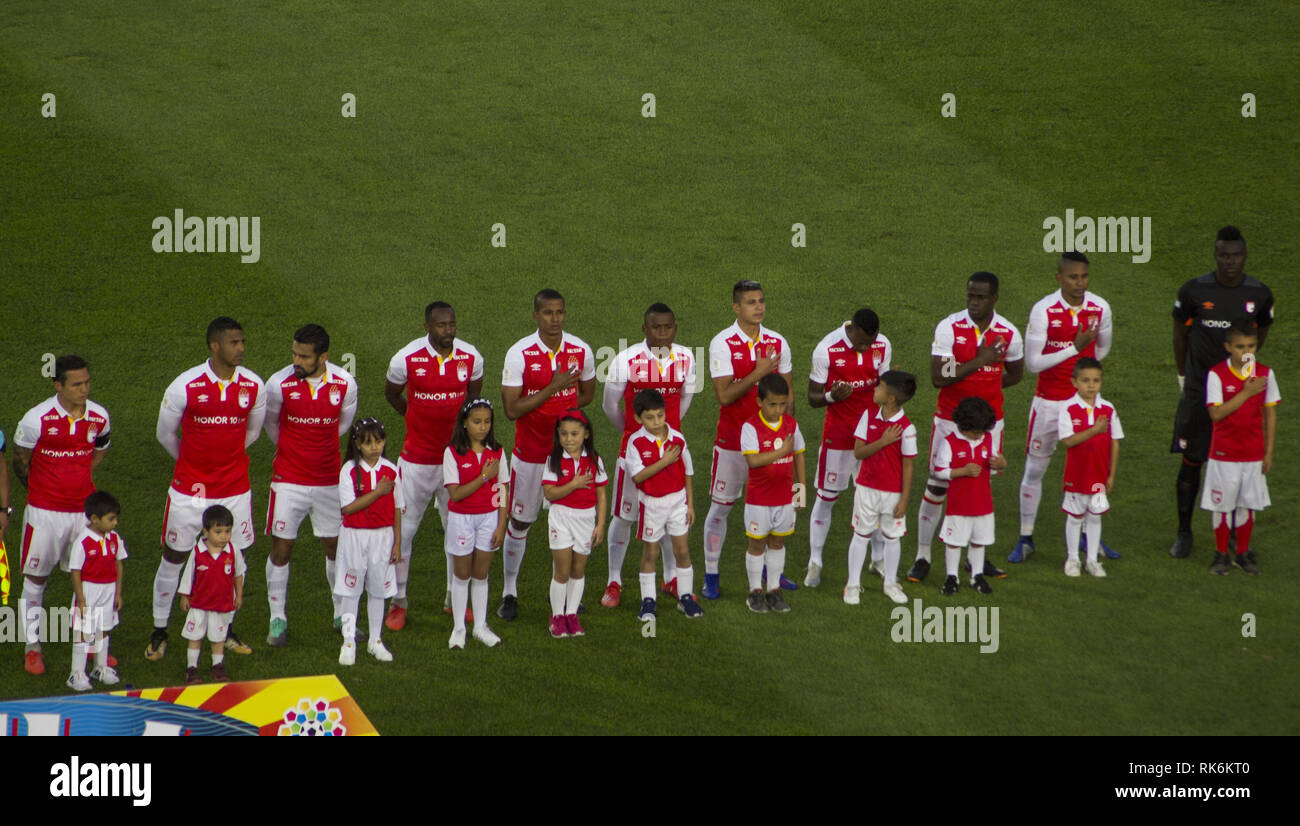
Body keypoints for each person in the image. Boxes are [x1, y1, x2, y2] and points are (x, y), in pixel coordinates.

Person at [151, 318, 265, 661]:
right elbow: (165, 435)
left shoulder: (254, 385)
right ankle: (159, 629)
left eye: (242, 341)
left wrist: (225, 464)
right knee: (174, 558)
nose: (241, 348)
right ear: (214, 346)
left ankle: (224, 628)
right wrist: (193, 466)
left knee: (231, 558)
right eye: (234, 342)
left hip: (234, 490)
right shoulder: (184, 386)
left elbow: (253, 434)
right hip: (190, 493)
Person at [909, 273, 1023, 583]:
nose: (974, 302)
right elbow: (939, 377)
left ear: (994, 298)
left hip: (990, 425)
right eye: (970, 296)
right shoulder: (950, 327)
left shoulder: (1009, 332)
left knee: (978, 487)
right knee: (937, 487)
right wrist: (980, 360)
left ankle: (976, 560)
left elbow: (1015, 372)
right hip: (949, 422)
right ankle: (923, 555)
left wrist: (984, 386)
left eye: (981, 297)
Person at [1170, 226, 1274, 560]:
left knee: (1239, 465)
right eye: (1224, 255)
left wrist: (1244, 369)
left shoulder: (1259, 294)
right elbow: (1179, 335)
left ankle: (1232, 535)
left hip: (1241, 392)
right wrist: (1184, 377)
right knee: (1192, 461)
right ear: (1216, 255)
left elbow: (1261, 332)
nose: (1230, 261)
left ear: (1244, 256)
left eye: (1236, 255)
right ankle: (1184, 533)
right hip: (1200, 390)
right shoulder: (1194, 291)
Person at [384, 302, 484, 630]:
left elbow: (472, 402)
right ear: (427, 326)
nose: (448, 331)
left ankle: (452, 598)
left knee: (457, 531)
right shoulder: (406, 359)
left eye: (452, 324)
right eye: (441, 325)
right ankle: (398, 601)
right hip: (415, 461)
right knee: (405, 531)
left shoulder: (471, 357)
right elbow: (393, 395)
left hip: (455, 461)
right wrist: (413, 419)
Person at [1010, 252, 1115, 563]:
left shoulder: (1100, 307)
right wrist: (1074, 347)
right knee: (1035, 469)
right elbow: (1032, 363)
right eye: (1072, 277)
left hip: (1086, 406)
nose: (1079, 283)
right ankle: (1025, 537)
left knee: (1090, 471)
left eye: (1084, 276)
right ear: (1059, 278)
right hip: (1048, 403)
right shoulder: (1043, 310)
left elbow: (1104, 348)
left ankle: (1088, 538)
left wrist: (1084, 373)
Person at [498, 289, 596, 620]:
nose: (555, 319)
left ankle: (569, 594)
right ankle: (509, 590)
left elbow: (586, 394)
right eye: (548, 313)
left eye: (560, 312)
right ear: (536, 316)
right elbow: (512, 410)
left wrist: (561, 415)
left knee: (571, 524)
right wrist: (553, 389)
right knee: (521, 521)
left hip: (568, 458)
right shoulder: (519, 353)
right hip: (529, 455)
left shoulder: (581, 349)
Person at [13, 354, 111, 675]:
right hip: (44, 515)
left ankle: (93, 645)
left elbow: (99, 451)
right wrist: (46, 489)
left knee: (90, 581)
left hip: (84, 516)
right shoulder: (35, 419)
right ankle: (32, 647)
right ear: (58, 385)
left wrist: (76, 479)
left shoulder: (99, 416)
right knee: (36, 580)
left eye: (87, 382)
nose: (84, 389)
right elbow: (20, 461)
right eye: (76, 384)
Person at [263, 324, 358, 646]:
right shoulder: (277, 384)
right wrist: (293, 452)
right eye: (294, 353)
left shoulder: (345, 384)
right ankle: (277, 619)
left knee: (335, 548)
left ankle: (340, 614)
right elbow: (272, 426)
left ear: (324, 357)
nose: (296, 360)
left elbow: (341, 426)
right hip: (288, 480)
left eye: (304, 356)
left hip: (329, 481)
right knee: (282, 548)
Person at [600, 303, 698, 607]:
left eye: (668, 327)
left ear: (675, 328)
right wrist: (632, 435)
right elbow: (610, 406)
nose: (663, 333)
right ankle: (614, 581)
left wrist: (666, 437)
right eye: (656, 327)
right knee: (624, 516)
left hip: (671, 452)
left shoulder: (687, 357)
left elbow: (684, 402)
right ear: (645, 329)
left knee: (671, 514)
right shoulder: (625, 359)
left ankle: (670, 579)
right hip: (633, 454)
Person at [706, 280, 795, 600]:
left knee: (773, 510)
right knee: (720, 510)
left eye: (761, 301)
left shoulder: (777, 341)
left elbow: (787, 395)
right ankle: (712, 574)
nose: (758, 307)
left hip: (772, 445)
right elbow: (725, 395)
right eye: (750, 302)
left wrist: (788, 433)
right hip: (732, 444)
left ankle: (774, 574)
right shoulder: (722, 343)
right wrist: (758, 373)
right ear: (736, 308)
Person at [805, 308, 892, 587]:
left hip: (870, 436)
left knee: (875, 499)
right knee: (827, 497)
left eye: (871, 341)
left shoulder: (882, 344)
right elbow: (812, 397)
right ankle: (815, 562)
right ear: (851, 329)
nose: (867, 347)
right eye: (862, 342)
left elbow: (884, 386)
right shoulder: (826, 349)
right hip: (839, 436)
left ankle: (877, 559)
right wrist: (832, 395)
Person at [1201, 320, 1278, 575]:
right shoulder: (1216, 374)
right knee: (1222, 505)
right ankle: (1221, 554)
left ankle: (1243, 553)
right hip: (1223, 454)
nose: (1246, 352)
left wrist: (1268, 453)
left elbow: (1270, 415)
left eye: (1252, 346)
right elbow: (1216, 414)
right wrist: (1245, 393)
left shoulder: (1266, 374)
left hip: (1253, 454)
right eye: (1240, 346)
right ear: (1228, 347)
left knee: (1247, 504)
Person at [624, 389, 700, 623]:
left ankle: (686, 596)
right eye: (650, 417)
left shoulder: (677, 437)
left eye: (660, 415)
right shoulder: (635, 443)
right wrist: (664, 461)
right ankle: (648, 600)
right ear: (638, 419)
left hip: (678, 502)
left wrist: (690, 505)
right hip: (652, 505)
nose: (657, 422)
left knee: (682, 551)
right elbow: (638, 477)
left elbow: (687, 471)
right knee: (651, 553)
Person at [844, 371, 917, 606]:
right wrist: (883, 442)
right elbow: (858, 452)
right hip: (865, 488)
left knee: (892, 537)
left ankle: (890, 583)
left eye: (880, 386)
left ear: (891, 398)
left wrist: (904, 500)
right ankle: (852, 585)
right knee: (860, 535)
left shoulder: (907, 429)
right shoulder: (867, 416)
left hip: (892, 493)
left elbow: (908, 466)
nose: (875, 388)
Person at [443, 399, 508, 649]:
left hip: (489, 519)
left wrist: (502, 524)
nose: (483, 427)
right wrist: (484, 477)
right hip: (461, 519)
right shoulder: (452, 452)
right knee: (461, 574)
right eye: (477, 422)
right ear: (465, 423)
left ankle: (480, 626)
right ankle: (459, 628)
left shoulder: (498, 452)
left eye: (487, 422)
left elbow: (503, 489)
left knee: (481, 574)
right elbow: (456, 494)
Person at [336, 418, 402, 665]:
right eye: (368, 442)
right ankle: (349, 641)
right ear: (357, 445)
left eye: (379, 441)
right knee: (351, 591)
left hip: (383, 538)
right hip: (354, 536)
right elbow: (348, 508)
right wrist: (377, 492)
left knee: (378, 590)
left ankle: (375, 641)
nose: (375, 447)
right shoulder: (349, 471)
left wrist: (397, 543)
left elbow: (398, 508)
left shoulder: (392, 470)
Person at [740, 375, 806, 614]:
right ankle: (754, 591)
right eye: (772, 404)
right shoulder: (750, 427)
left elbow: (798, 454)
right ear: (760, 402)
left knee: (778, 543)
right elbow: (753, 461)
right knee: (756, 544)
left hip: (785, 497)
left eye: (782, 404)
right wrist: (783, 451)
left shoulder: (790, 423)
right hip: (759, 499)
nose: (778, 410)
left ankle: (773, 590)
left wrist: (800, 489)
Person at [542, 410, 607, 637]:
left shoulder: (595, 460)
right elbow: (550, 494)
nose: (569, 439)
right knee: (562, 571)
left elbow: (601, 495)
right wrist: (574, 484)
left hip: (586, 519)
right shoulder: (553, 461)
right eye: (563, 434)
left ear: (586, 434)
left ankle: (571, 615)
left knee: (578, 570)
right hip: (560, 518)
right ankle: (557, 616)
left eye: (574, 434)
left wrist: (600, 524)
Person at [933, 397, 1006, 595]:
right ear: (963, 426)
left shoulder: (987, 439)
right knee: (954, 542)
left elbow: (998, 460)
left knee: (978, 541)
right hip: (959, 505)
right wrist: (961, 471)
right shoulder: (949, 443)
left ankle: (977, 575)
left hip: (983, 504)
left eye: (983, 431)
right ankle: (952, 576)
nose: (980, 435)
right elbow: (939, 471)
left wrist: (1000, 464)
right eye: (976, 432)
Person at [1057, 358, 1123, 577]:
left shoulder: (1108, 408)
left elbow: (1115, 442)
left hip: (1098, 476)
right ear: (1074, 382)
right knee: (1075, 517)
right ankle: (1073, 558)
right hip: (1076, 475)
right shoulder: (1068, 408)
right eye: (1085, 380)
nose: (1091, 385)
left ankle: (1092, 560)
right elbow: (1068, 441)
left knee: (1095, 517)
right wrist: (1095, 430)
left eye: (1096, 381)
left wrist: (1111, 474)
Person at [178, 505, 246, 684]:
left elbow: (238, 574)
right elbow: (188, 575)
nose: (224, 536)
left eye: (227, 531)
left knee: (219, 637)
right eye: (218, 531)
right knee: (195, 636)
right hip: (199, 603)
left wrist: (238, 596)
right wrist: (185, 597)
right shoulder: (198, 552)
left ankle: (217, 665)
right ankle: (192, 668)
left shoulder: (233, 551)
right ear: (205, 531)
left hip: (222, 604)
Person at [67, 491, 125, 691]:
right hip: (89, 591)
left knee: (104, 628)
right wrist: (81, 600)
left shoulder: (114, 539)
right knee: (83, 632)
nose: (115, 523)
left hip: (109, 590)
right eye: (111, 519)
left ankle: (100, 668)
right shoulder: (83, 541)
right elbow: (75, 572)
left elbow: (118, 565)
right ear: (94, 519)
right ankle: (76, 674)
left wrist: (118, 593)